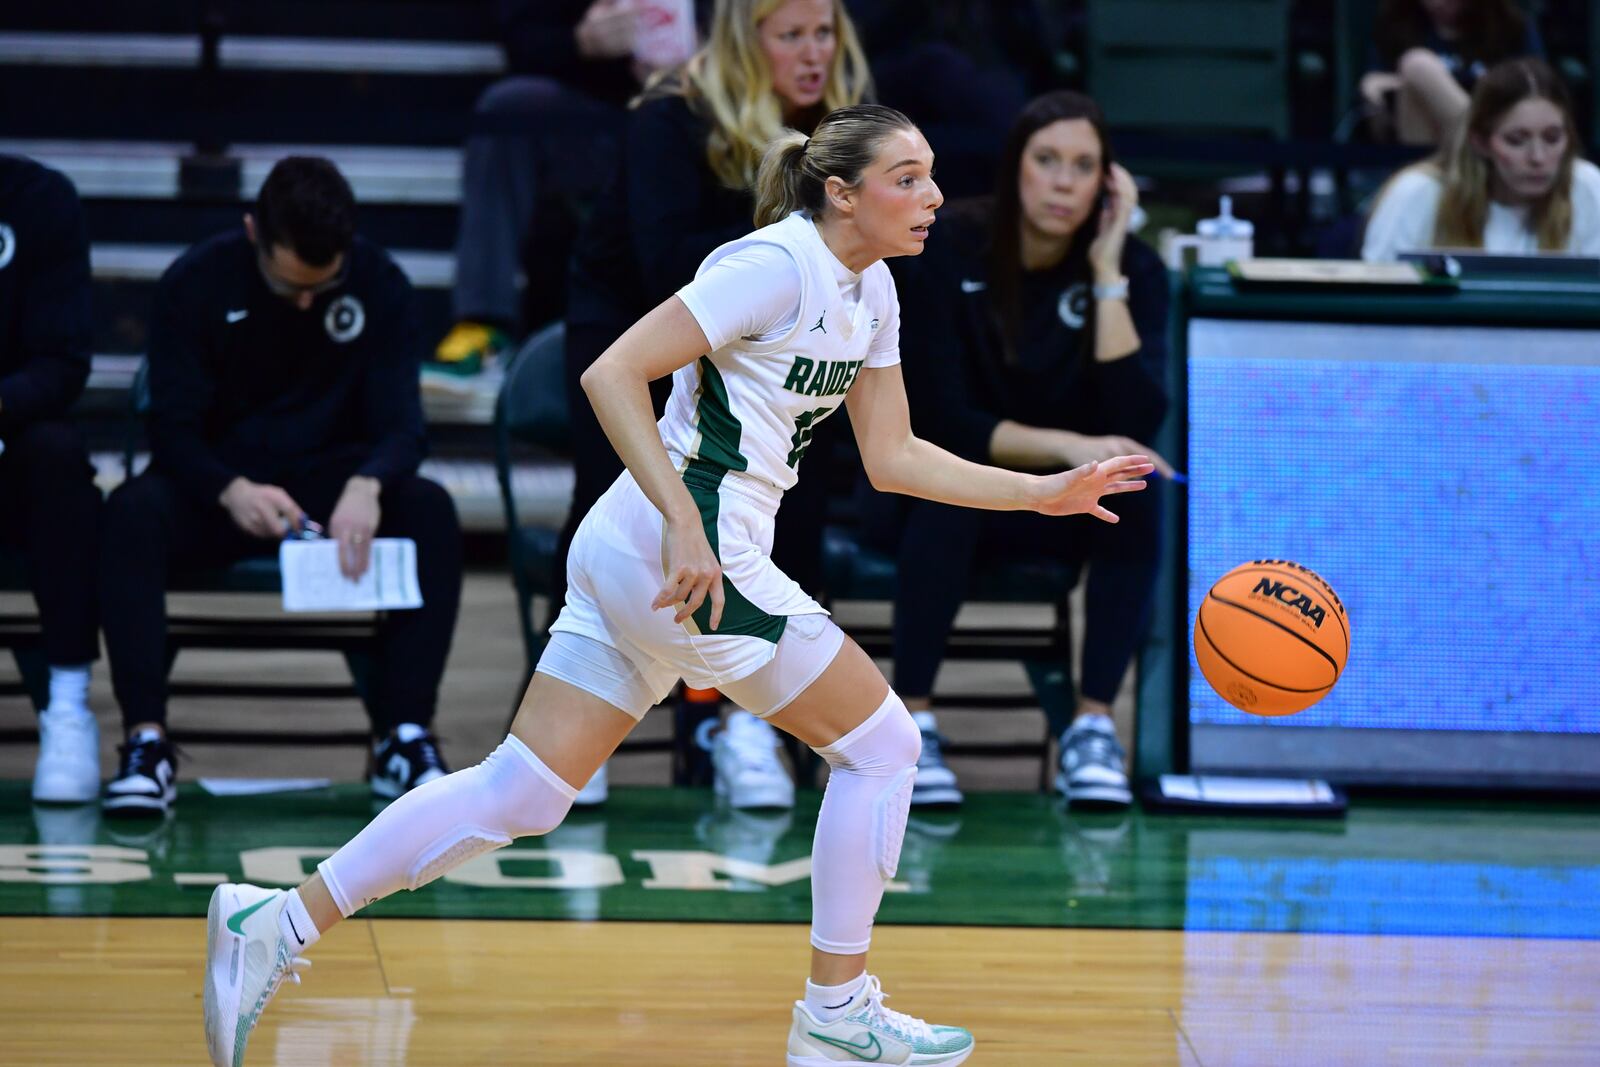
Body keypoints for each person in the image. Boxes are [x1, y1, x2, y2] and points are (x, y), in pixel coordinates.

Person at [200, 103, 1154, 1067]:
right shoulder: (771, 266)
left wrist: (1041, 492)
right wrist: (686, 521)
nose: (934, 197)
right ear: (841, 193)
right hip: (682, 551)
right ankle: (837, 1012)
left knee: (520, 793)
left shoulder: (874, 295)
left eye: (932, 174)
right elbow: (612, 374)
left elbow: (896, 456)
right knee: (883, 745)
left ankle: (275, 922)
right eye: (906, 178)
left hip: (643, 551)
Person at [561, 0, 872, 806]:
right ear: (744, 39)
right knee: (628, 508)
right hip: (639, 331)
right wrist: (788, 266)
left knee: (787, 505)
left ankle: (745, 726)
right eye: (790, 34)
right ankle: (582, 729)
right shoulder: (672, 116)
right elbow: (669, 259)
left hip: (764, 341)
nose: (814, 52)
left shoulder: (844, 126)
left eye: (824, 32)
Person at [99, 157, 465, 817]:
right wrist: (228, 488)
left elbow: (405, 427)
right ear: (252, 233)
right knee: (130, 513)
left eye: (321, 287)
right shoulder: (195, 282)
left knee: (430, 510)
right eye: (288, 283)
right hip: (221, 482)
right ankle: (145, 743)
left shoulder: (380, 284)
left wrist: (370, 481)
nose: (305, 302)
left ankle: (404, 737)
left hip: (333, 481)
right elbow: (171, 430)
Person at [872, 91, 1172, 809]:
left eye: (1084, 166)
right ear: (1016, 169)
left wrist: (1105, 271)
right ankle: (912, 718)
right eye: (1047, 161)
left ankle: (1093, 727)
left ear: (1107, 182)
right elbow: (939, 418)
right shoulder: (948, 247)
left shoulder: (1133, 268)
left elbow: (1136, 416)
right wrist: (1069, 447)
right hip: (942, 489)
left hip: (1066, 507)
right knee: (954, 485)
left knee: (1141, 484)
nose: (1065, 182)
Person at [433, 0, 706, 375]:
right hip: (602, 116)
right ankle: (484, 318)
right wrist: (581, 42)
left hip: (719, 108)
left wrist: (717, 57)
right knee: (507, 111)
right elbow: (521, 39)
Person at [0, 155, 103, 805]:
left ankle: (67, 708)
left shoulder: (40, 198)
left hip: (16, 437)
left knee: (61, 462)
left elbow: (64, 362)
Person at [1362, 58, 1600, 261]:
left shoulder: (1587, 186)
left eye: (1552, 138)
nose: (1538, 157)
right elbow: (1375, 299)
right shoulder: (1417, 193)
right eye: (1516, 140)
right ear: (1480, 142)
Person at [1360, 0, 1542, 147]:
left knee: (1418, 65)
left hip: (1502, 126)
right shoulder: (1394, 27)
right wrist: (1373, 94)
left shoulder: (1510, 26)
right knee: (1417, 65)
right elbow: (1377, 127)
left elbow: (1538, 91)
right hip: (1421, 149)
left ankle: (1484, 152)